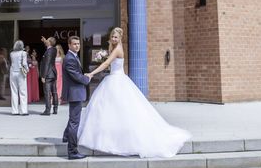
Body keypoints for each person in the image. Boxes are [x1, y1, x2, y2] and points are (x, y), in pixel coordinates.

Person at [79, 27, 191, 158]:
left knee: (120, 109)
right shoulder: (113, 48)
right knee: (110, 109)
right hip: (114, 78)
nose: (114, 39)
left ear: (120, 38)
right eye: (112, 37)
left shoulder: (118, 50)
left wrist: (91, 73)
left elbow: (106, 65)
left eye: (116, 37)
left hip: (117, 79)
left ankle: (121, 140)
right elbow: (109, 64)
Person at [62, 35, 91, 160]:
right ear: (69, 45)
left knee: (73, 118)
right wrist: (86, 78)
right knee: (75, 122)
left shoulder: (73, 56)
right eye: (74, 44)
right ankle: (72, 151)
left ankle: (66, 136)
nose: (77, 46)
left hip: (75, 92)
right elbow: (75, 76)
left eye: (78, 44)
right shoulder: (69, 58)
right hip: (74, 93)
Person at [39, 36, 58, 115]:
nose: (46, 41)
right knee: (54, 92)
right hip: (53, 74)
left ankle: (47, 110)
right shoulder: (54, 49)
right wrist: (44, 41)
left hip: (48, 74)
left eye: (47, 40)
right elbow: (48, 45)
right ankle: (55, 109)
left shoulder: (49, 51)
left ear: (49, 42)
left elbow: (47, 64)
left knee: (47, 93)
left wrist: (43, 76)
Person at [9, 40, 29, 115]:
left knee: (14, 91)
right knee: (23, 91)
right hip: (20, 72)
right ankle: (23, 111)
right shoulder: (23, 53)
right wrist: (27, 69)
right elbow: (24, 63)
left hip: (12, 72)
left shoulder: (11, 53)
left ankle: (15, 111)